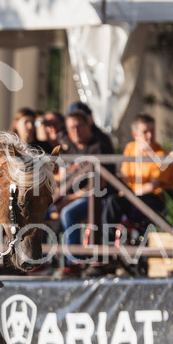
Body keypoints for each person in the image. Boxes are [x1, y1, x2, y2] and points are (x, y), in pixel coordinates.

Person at [55, 109, 114, 262]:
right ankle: (40, 262)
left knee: (68, 213)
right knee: (39, 210)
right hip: (70, 197)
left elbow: (98, 185)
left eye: (79, 126)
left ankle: (74, 261)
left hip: (97, 199)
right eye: (72, 128)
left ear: (88, 126)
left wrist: (69, 199)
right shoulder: (70, 150)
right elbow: (62, 179)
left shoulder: (98, 146)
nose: (76, 131)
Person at [104, 113, 173, 230]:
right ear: (135, 135)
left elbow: (153, 185)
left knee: (135, 207)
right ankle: (109, 242)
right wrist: (125, 192)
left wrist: (130, 194)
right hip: (133, 195)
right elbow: (126, 176)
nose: (150, 135)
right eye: (145, 132)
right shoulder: (130, 148)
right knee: (112, 201)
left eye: (152, 131)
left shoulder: (160, 155)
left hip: (154, 198)